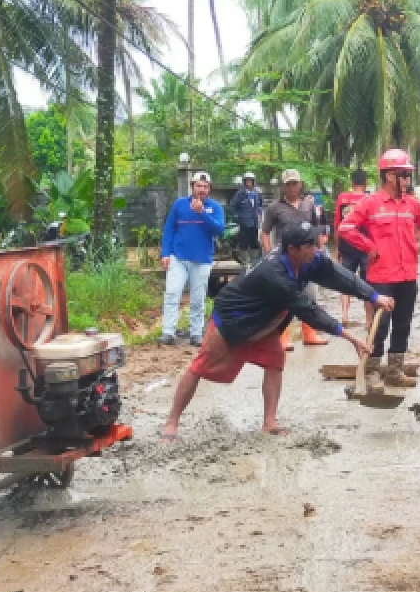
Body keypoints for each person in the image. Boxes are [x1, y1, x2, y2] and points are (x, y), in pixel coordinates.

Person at [160, 221, 396, 439]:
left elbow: (337, 274)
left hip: (265, 322)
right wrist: (351, 338)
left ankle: (269, 422)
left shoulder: (308, 259)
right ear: (292, 250)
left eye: (315, 243)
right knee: (200, 367)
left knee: (275, 362)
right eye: (309, 245)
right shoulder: (274, 273)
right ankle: (172, 422)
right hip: (233, 320)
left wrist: (373, 295)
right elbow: (308, 310)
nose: (315, 249)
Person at [339, 149, 420, 391]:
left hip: (407, 275)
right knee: (380, 325)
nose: (408, 180)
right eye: (405, 175)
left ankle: (394, 371)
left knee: (403, 323)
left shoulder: (412, 204)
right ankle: (371, 370)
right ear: (390, 176)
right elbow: (346, 227)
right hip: (381, 276)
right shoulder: (370, 204)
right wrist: (368, 247)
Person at [261, 168, 328, 348]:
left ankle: (309, 332)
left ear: (300, 185)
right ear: (283, 186)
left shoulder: (309, 205)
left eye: (294, 184)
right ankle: (282, 335)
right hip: (285, 258)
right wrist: (268, 253)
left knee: (310, 295)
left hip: (308, 256)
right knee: (285, 296)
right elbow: (265, 232)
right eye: (288, 184)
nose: (292, 187)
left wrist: (321, 249)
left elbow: (318, 228)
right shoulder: (274, 208)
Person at [159, 171, 225, 347]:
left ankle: (196, 333)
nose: (202, 189)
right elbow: (169, 229)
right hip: (178, 257)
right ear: (192, 187)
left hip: (202, 259)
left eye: (205, 186)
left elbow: (219, 230)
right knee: (172, 293)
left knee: (198, 297)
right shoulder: (179, 205)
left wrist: (202, 213)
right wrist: (165, 253)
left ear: (209, 189)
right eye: (198, 186)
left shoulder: (215, 207)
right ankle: (168, 332)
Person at [333, 168, 373, 326]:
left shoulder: (343, 199)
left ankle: (344, 314)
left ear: (352, 182)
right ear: (366, 183)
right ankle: (369, 320)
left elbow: (338, 225)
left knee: (345, 281)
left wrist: (337, 248)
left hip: (346, 246)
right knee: (367, 283)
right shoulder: (369, 199)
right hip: (365, 246)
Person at [229, 171, 264, 258]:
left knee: (254, 243)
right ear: (244, 182)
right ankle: (245, 263)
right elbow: (233, 206)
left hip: (254, 223)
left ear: (253, 182)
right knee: (244, 243)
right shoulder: (240, 194)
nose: (249, 183)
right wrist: (237, 217)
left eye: (250, 181)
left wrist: (259, 211)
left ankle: (254, 262)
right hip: (244, 223)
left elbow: (261, 204)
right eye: (247, 181)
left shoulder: (257, 193)